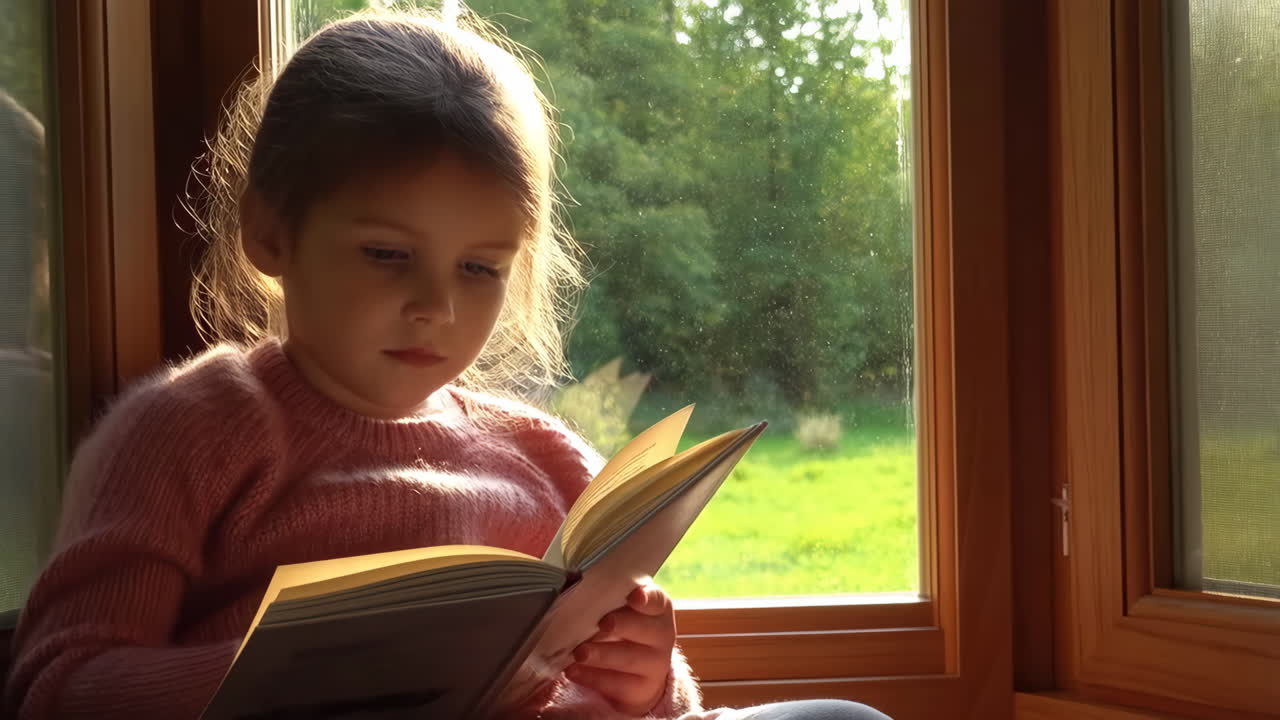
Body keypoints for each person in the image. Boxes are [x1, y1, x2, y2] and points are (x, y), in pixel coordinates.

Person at [3, 8, 890, 720]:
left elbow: (662, 707)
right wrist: (308, 679)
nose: (439, 306)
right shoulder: (189, 431)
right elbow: (56, 686)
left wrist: (646, 681)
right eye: (388, 254)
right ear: (271, 232)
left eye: (480, 269)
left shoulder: (543, 456)